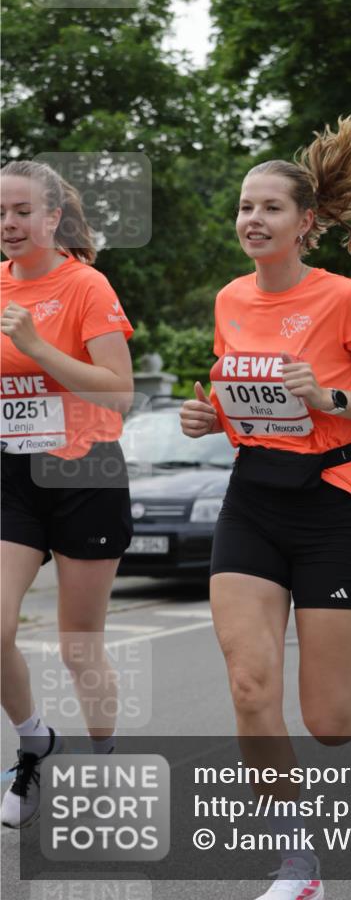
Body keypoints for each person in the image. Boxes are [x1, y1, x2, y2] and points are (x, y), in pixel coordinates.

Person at [180, 116, 351, 900]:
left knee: (327, 720)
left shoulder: (344, 298)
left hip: (333, 508)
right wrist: (210, 418)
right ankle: (297, 863)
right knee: (250, 688)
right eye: (244, 207)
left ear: (305, 222)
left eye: (270, 207)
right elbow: (245, 402)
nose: (252, 219)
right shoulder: (229, 298)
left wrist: (327, 397)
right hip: (252, 501)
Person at [1, 160, 134, 828]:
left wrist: (36, 346)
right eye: (0, 212)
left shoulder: (85, 286)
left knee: (79, 645)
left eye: (23, 211)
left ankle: (105, 760)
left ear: (53, 218)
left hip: (85, 474)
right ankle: (34, 741)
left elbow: (120, 393)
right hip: (14, 475)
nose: (9, 223)